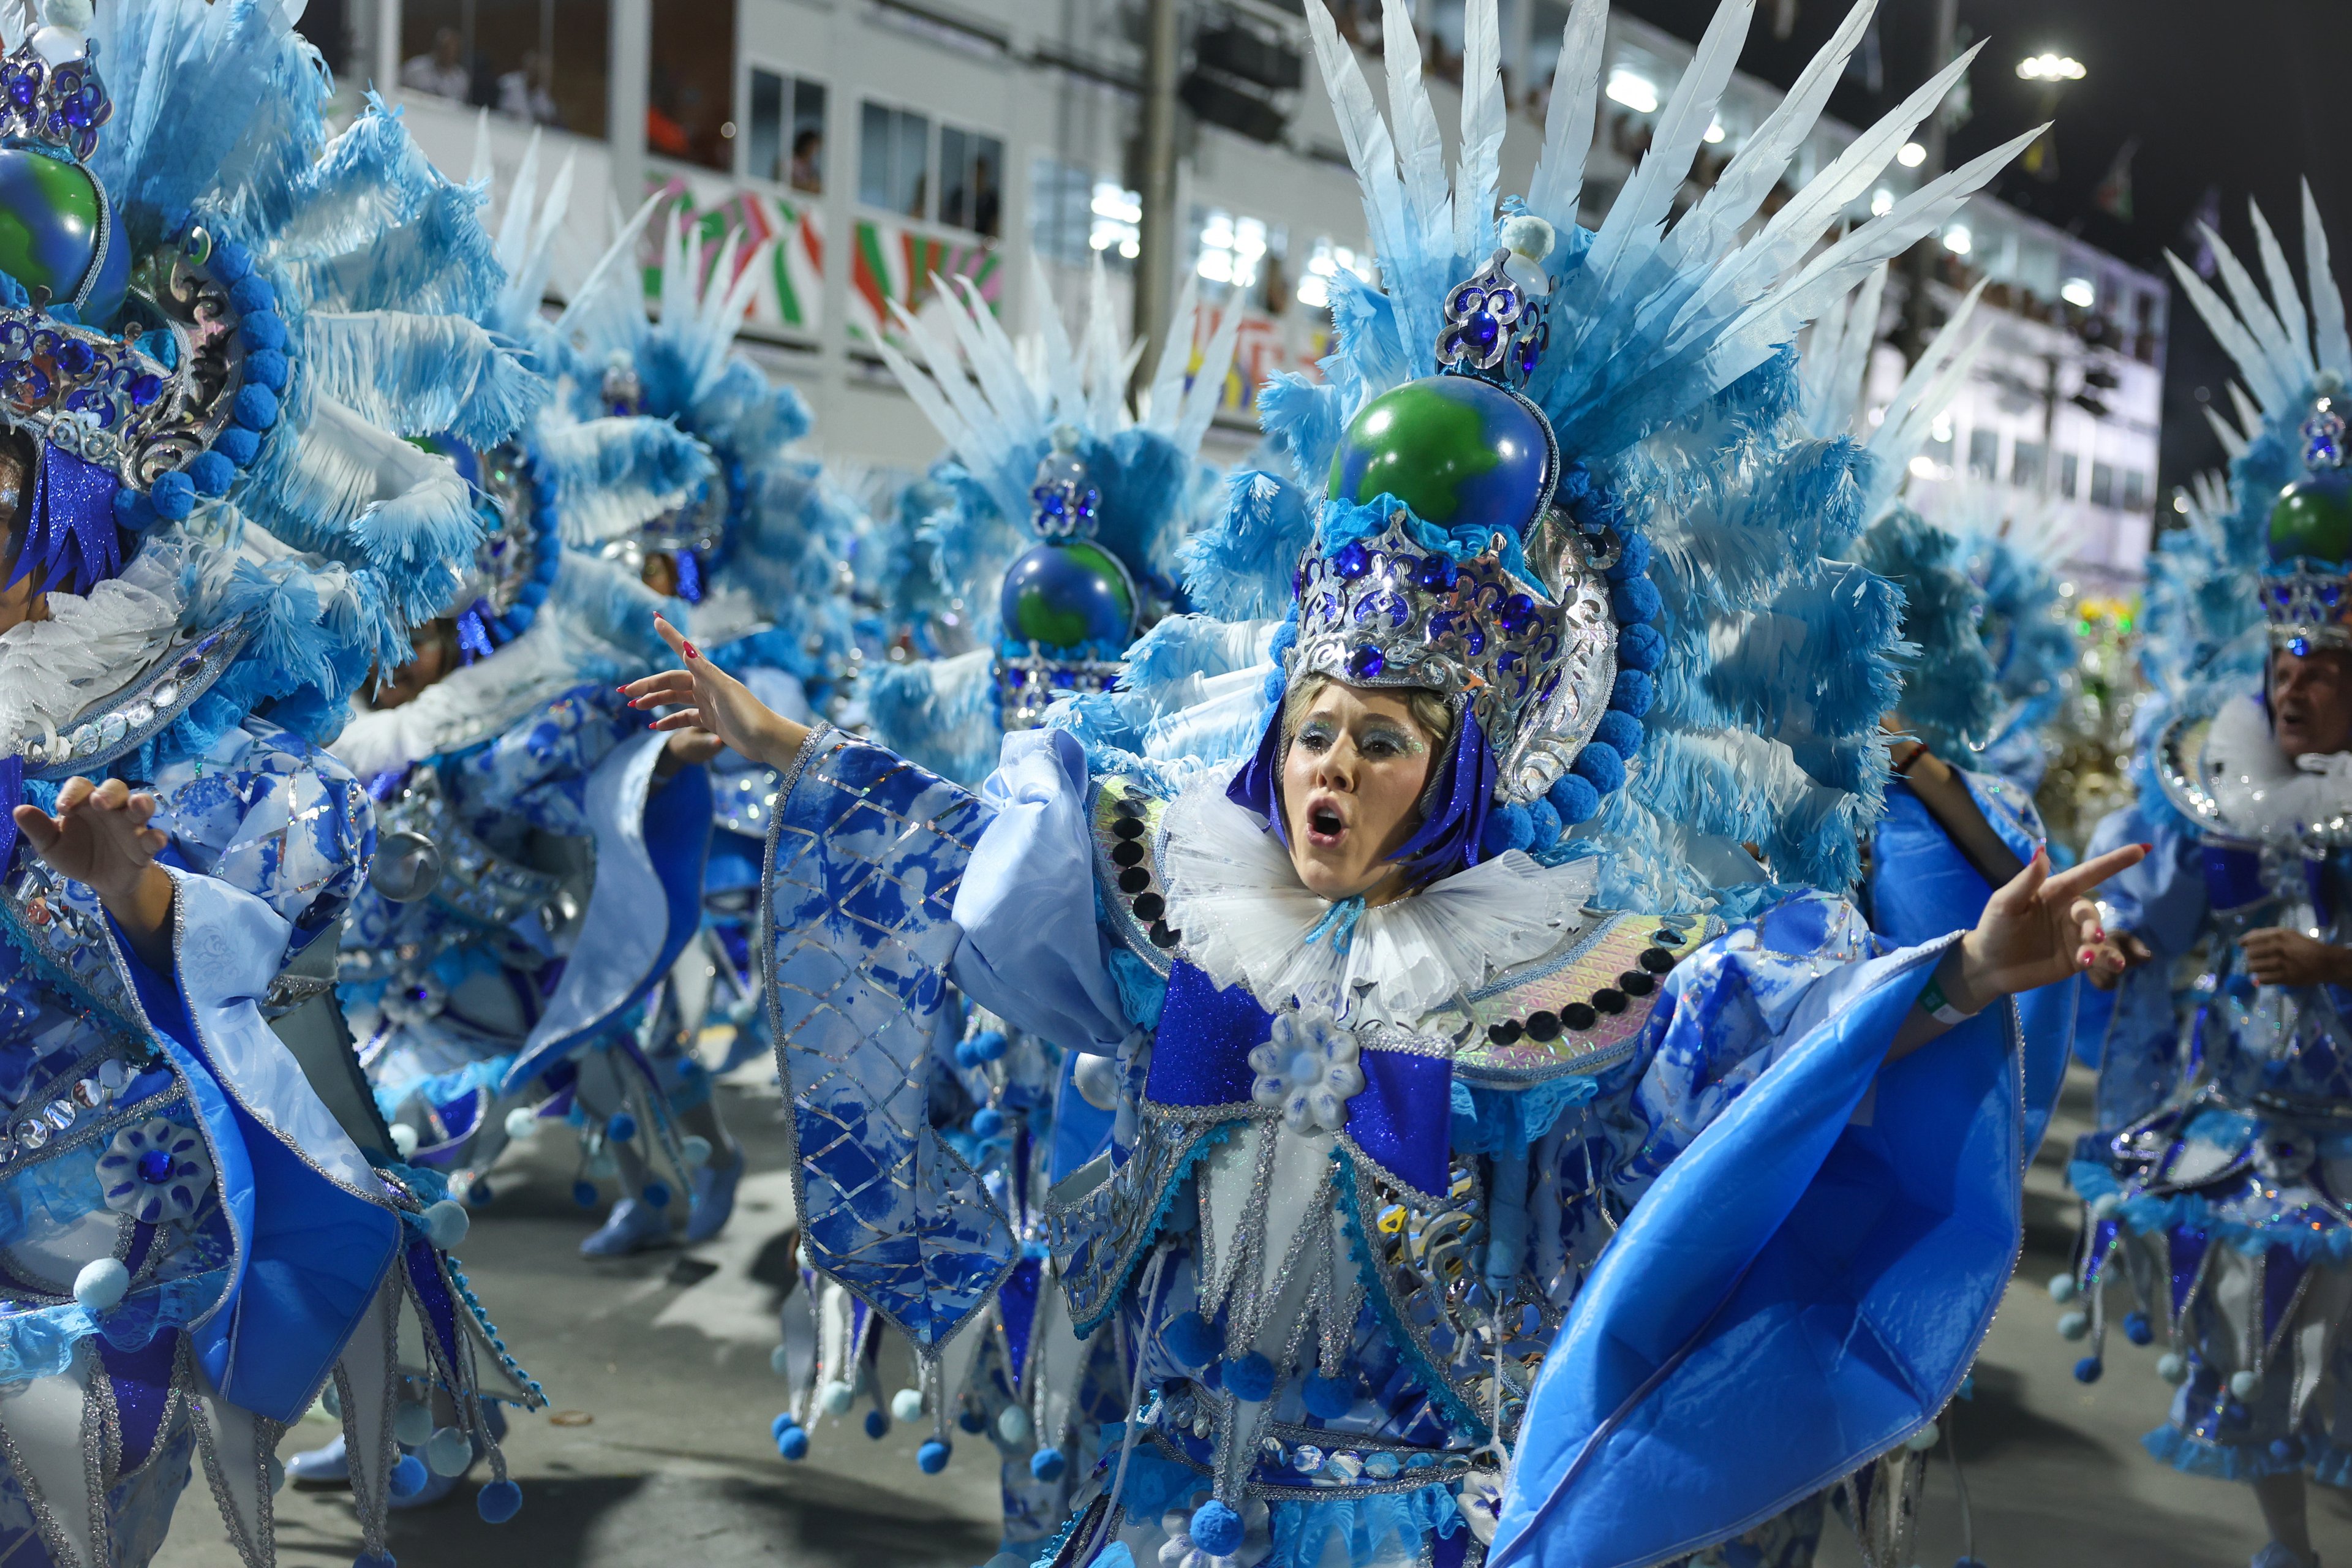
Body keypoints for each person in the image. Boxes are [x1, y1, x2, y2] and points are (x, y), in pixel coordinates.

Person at [629, 4, 2123, 1562]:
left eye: (1380, 740)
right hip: (1157, 1485)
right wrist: (789, 746)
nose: (1328, 764)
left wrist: (1956, 974)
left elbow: (1766, 1054)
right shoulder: (1178, 897)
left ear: (1467, 774)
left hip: (1403, 1512)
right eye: (1313, 729)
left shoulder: (1575, 969)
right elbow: (968, 859)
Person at [0, 0, 548, 1556]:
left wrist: (140, 891)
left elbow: (299, 880)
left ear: (71, 492)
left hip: (89, 1259)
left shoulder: (185, 704)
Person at [2065, 195, 2352, 1568]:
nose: (2294, 690)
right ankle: (2290, 1545)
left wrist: (2339, 963)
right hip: (2246, 1103)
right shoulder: (2217, 770)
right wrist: (2121, 935)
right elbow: (2167, 905)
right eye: (2284, 669)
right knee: (2251, 1328)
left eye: (2324, 673)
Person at [401, 24, 470, 101]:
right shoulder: (414, 69)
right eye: (446, 48)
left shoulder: (461, 79)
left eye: (453, 50)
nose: (449, 53)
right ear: (437, 48)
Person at [497, 48, 560, 126]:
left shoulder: (541, 93)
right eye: (534, 68)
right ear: (527, 67)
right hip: (505, 128)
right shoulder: (509, 83)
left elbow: (550, 116)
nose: (536, 72)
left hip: (527, 133)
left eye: (541, 71)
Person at [789, 126, 823, 192]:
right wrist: (806, 186)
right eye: (812, 145)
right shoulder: (790, 163)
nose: (815, 149)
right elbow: (785, 184)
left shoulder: (811, 167)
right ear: (805, 145)